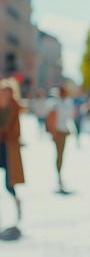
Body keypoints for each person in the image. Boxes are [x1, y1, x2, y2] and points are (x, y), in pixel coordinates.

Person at [0, 78, 25, 241]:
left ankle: (17, 205)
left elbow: (15, 129)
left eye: (8, 91)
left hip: (8, 147)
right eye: (3, 91)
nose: (5, 94)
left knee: (9, 182)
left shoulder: (15, 106)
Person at [47, 85, 76, 194]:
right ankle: (58, 173)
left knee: (61, 154)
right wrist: (53, 132)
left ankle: (59, 172)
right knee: (59, 154)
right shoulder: (56, 103)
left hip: (64, 130)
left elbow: (71, 115)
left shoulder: (67, 103)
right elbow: (51, 119)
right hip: (58, 131)